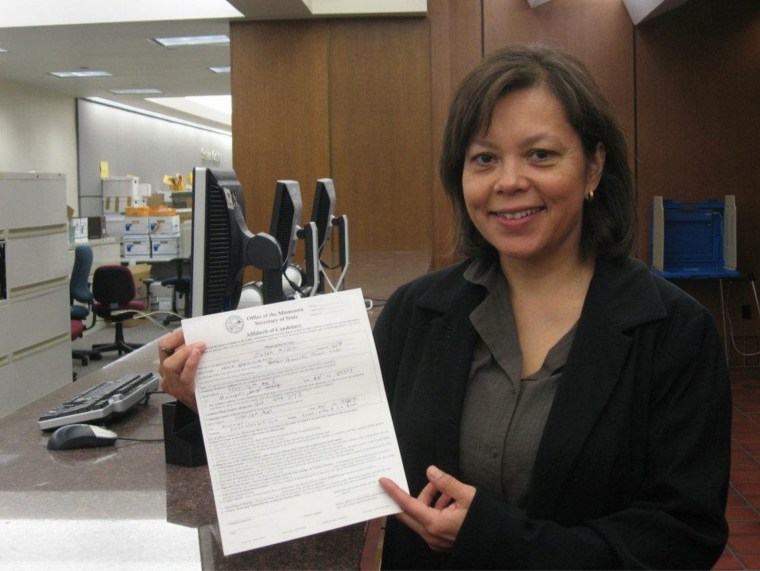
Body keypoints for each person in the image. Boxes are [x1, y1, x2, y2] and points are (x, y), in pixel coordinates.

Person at [159, 43, 731, 570]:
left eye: (540, 154)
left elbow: (682, 536)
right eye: (484, 159)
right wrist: (218, 395)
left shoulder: (673, 330)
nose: (509, 182)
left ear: (594, 167)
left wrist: (495, 536)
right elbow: (332, 451)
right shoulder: (417, 312)